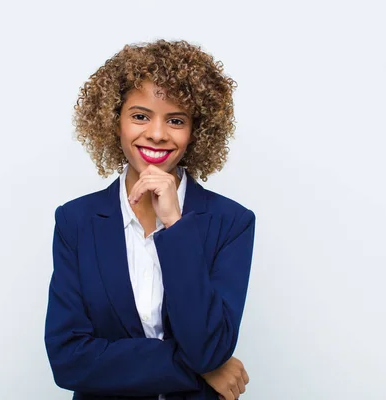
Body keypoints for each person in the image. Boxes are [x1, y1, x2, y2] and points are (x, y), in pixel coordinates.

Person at [44, 39, 257, 400]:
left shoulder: (231, 222)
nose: (157, 133)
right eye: (140, 116)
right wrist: (202, 370)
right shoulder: (75, 221)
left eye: (176, 120)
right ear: (115, 121)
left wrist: (176, 225)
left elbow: (209, 346)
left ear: (197, 132)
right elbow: (68, 359)